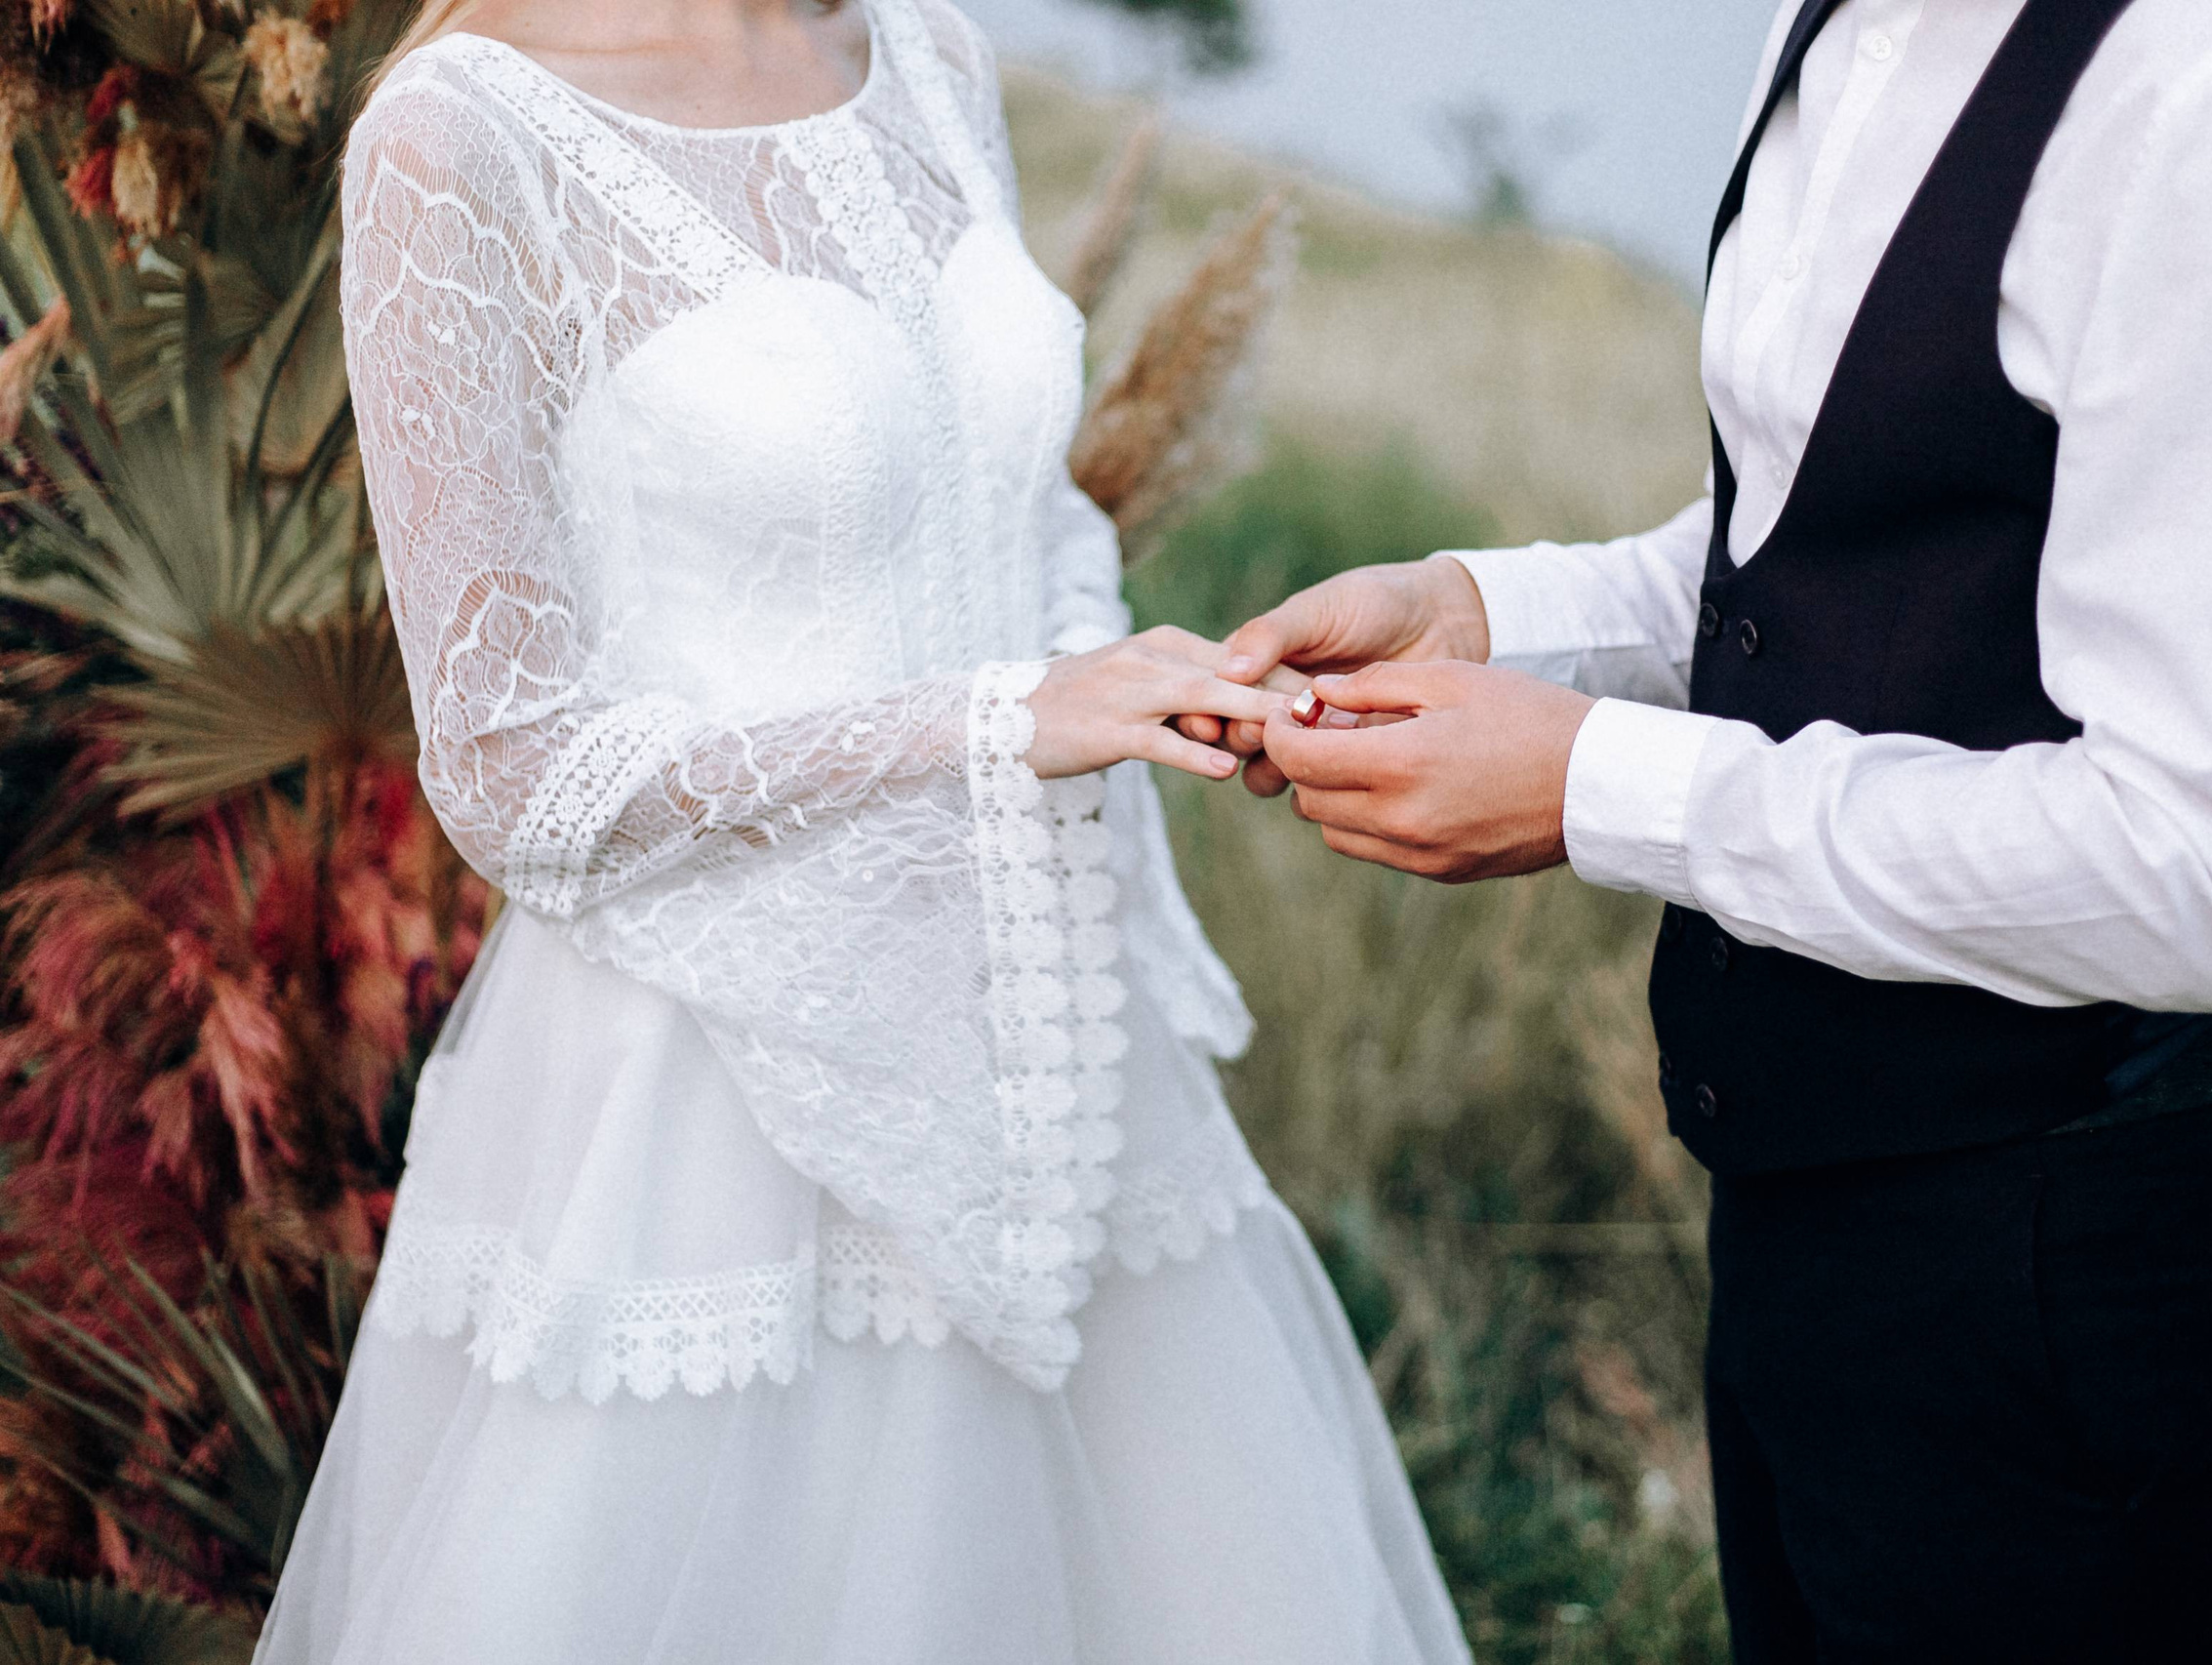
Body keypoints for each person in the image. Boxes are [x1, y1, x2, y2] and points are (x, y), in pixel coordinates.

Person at [1218, 0, 2212, 1658]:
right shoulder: (1846, 20)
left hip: (2076, 1286)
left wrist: (1598, 784)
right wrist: (1480, 612)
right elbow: (1834, 549)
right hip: (1808, 1217)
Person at [256, 2, 1470, 1660]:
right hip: (707, 1098)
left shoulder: (928, 54)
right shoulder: (463, 135)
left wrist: (1155, 680)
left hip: (1059, 1052)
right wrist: (999, 724)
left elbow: (1029, 501)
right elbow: (512, 769)